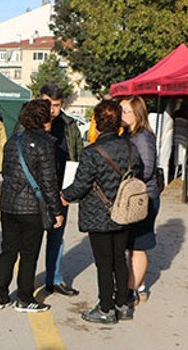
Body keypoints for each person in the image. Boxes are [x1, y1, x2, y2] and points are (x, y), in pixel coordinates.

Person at [61, 100, 144, 325]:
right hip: (125, 211)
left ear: (97, 123)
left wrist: (64, 196)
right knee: (119, 259)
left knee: (104, 262)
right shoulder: (131, 148)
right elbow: (138, 174)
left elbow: (81, 184)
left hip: (99, 213)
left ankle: (106, 307)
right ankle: (123, 304)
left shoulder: (92, 152)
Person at [0, 99, 64, 312]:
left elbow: (5, 171)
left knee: (8, 251)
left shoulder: (13, 140)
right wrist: (56, 211)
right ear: (44, 119)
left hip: (8, 203)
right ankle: (24, 298)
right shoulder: (45, 144)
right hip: (32, 207)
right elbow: (49, 181)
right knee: (29, 254)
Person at [40, 84, 83, 297]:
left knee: (57, 236)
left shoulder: (69, 125)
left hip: (61, 190)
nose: (51, 110)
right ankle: (24, 285)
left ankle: (54, 279)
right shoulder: (30, 122)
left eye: (56, 105)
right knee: (31, 239)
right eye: (47, 104)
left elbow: (78, 155)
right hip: (35, 191)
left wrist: (71, 191)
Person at [120, 96, 160, 304]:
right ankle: (139, 286)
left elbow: (147, 169)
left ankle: (131, 291)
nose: (121, 114)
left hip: (143, 198)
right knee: (132, 245)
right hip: (135, 196)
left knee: (138, 245)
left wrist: (125, 177)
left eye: (125, 111)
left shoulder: (143, 137)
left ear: (137, 114)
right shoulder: (129, 134)